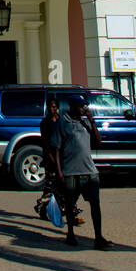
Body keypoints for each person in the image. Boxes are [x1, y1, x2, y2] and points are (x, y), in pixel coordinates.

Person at [59, 95, 112, 250]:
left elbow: (98, 141)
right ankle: (70, 234)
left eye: (85, 106)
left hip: (89, 170)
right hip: (70, 171)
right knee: (70, 204)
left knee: (95, 204)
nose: (84, 109)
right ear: (73, 106)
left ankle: (98, 237)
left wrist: (92, 121)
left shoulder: (86, 122)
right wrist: (59, 171)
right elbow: (56, 148)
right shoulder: (63, 123)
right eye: (81, 106)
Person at [38, 96, 83, 226]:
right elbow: (46, 143)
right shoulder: (45, 123)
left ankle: (70, 212)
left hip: (62, 157)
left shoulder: (61, 121)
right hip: (51, 157)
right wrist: (52, 159)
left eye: (54, 106)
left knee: (65, 186)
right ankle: (44, 208)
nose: (52, 109)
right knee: (51, 186)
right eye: (50, 107)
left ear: (57, 107)